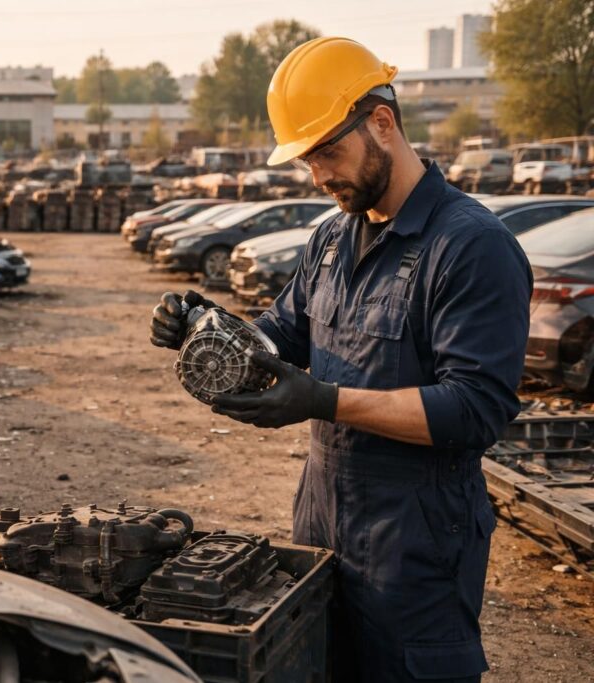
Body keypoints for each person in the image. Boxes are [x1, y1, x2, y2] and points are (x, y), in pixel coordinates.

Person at [150, 37, 532, 682]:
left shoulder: (470, 246)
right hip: (323, 517)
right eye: (307, 158)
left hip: (418, 539)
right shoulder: (332, 237)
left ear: (382, 122)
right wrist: (208, 326)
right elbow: (281, 337)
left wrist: (323, 401)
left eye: (330, 150)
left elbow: (476, 409)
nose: (319, 174)